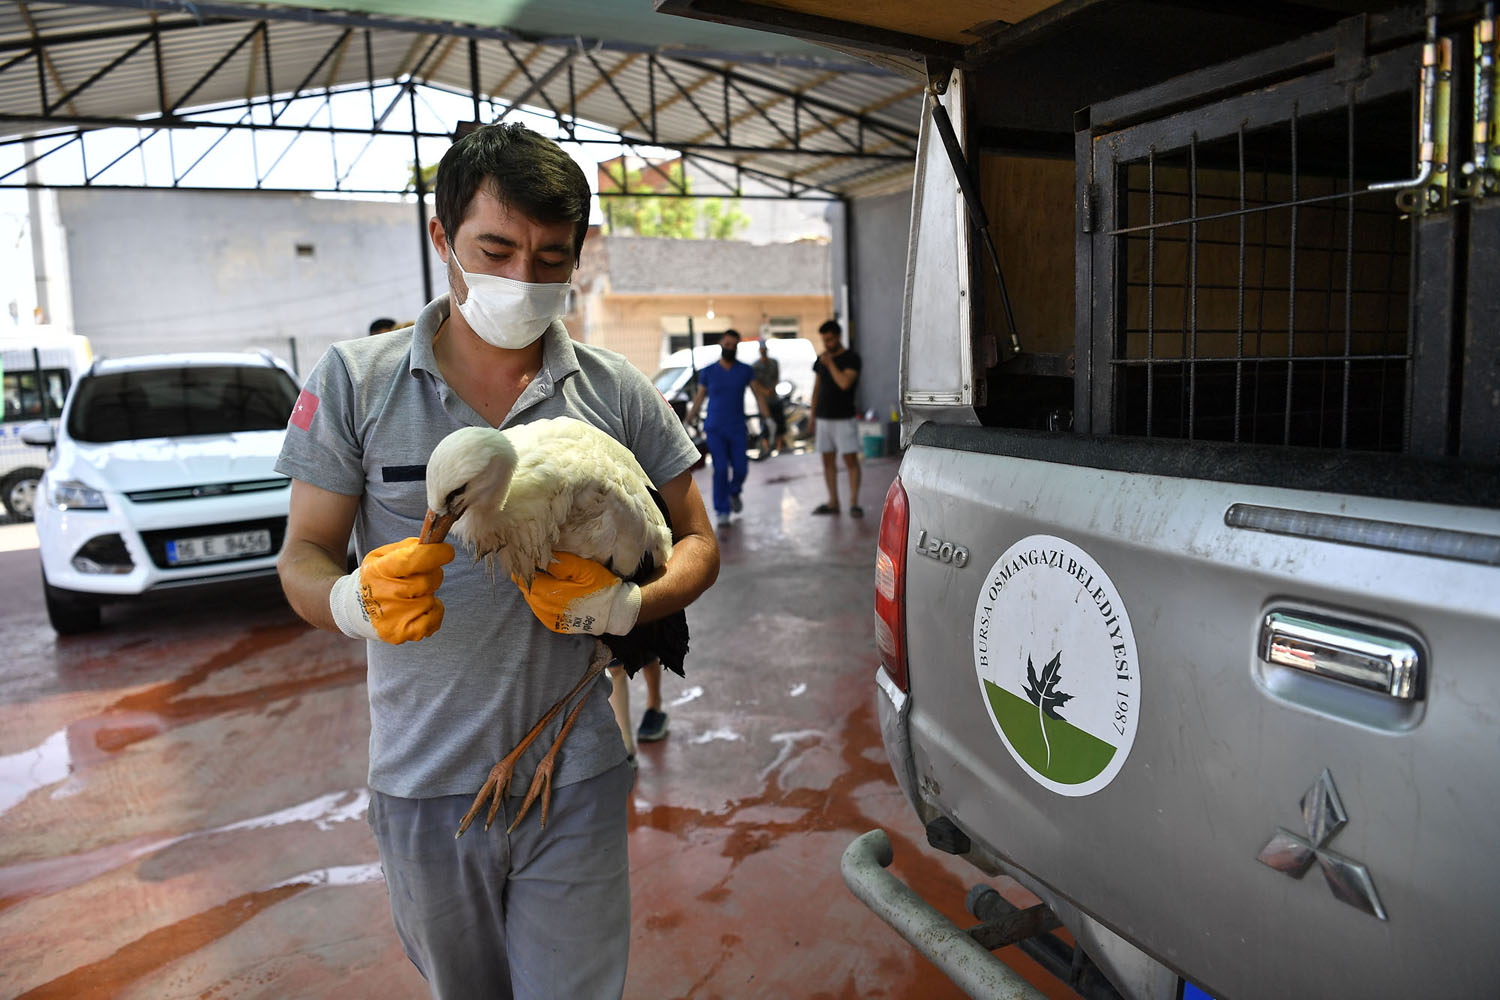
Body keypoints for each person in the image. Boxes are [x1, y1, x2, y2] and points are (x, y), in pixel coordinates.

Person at [274, 122, 719, 1000]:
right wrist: (353, 602)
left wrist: (635, 608)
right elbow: (303, 555)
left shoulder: (614, 389)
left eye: (553, 256)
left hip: (580, 767)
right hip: (423, 777)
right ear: (441, 239)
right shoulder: (355, 382)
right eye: (497, 248)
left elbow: (698, 541)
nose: (525, 278)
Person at [684, 329, 768, 529]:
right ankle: (722, 510)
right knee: (720, 469)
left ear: (737, 347)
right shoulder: (709, 371)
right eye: (727, 344)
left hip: (738, 427)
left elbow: (758, 395)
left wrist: (769, 418)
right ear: (722, 344)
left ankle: (734, 492)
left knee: (741, 468)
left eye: (733, 345)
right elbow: (699, 398)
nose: (730, 348)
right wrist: (687, 420)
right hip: (715, 428)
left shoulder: (745, 370)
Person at [809, 318, 863, 517]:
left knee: (850, 460)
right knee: (827, 461)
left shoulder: (851, 359)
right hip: (823, 418)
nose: (827, 344)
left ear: (839, 337)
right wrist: (812, 416)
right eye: (824, 340)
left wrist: (830, 363)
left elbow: (844, 383)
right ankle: (833, 502)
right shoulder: (820, 360)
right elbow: (816, 389)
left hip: (844, 417)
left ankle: (854, 503)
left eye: (830, 340)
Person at [752, 339, 786, 454]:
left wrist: (771, 389)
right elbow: (755, 383)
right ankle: (767, 449)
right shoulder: (755, 366)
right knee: (765, 425)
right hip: (763, 401)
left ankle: (779, 447)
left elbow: (776, 377)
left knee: (779, 424)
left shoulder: (773, 363)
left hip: (774, 398)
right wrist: (765, 391)